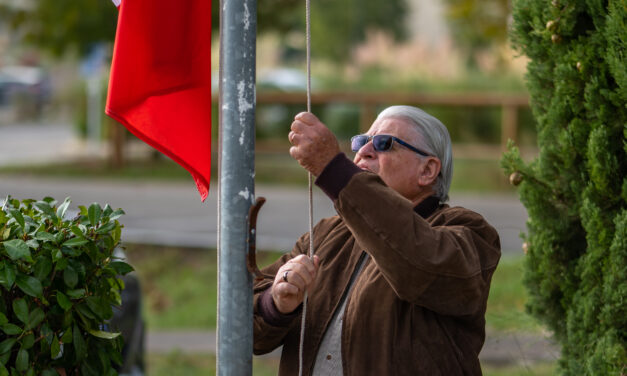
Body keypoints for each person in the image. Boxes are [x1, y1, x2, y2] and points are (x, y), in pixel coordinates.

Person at [253, 105, 501, 375]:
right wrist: (277, 303)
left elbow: (419, 261)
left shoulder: (468, 230)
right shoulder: (326, 233)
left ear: (427, 171)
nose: (363, 151)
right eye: (361, 141)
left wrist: (333, 169)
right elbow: (244, 323)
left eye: (384, 143)